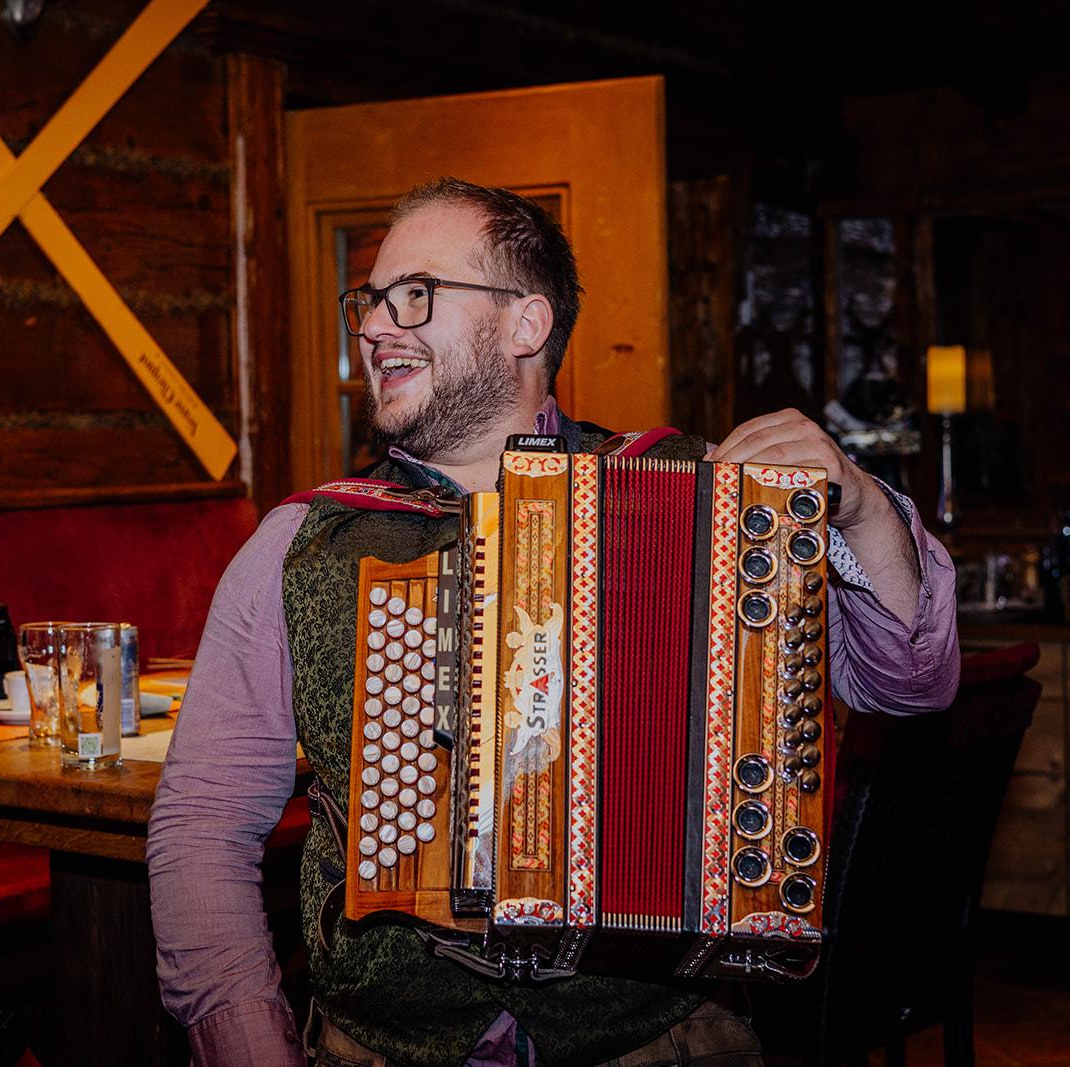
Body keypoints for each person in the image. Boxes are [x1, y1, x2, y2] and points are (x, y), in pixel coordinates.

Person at [147, 177, 960, 1067]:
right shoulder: (302, 544)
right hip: (385, 1049)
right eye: (370, 301)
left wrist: (865, 510)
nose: (376, 325)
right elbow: (203, 825)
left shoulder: (704, 499)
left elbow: (909, 686)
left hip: (660, 1040)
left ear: (526, 324)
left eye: (415, 294)